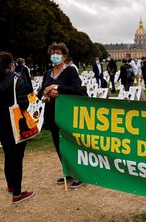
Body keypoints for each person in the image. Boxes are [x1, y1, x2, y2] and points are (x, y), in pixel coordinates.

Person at [0, 51, 34, 204]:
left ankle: (11, 185)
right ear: (10, 64)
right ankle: (17, 194)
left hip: (1, 124)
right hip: (16, 124)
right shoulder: (17, 80)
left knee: (8, 156)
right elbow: (23, 103)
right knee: (17, 159)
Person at [40, 42, 87, 189]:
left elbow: (77, 90)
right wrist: (47, 91)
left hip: (67, 114)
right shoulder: (48, 72)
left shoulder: (70, 71)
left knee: (71, 144)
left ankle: (80, 174)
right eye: (53, 52)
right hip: (52, 113)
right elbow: (42, 88)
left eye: (58, 53)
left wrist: (58, 88)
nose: (55, 55)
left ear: (65, 56)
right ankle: (68, 172)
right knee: (58, 145)